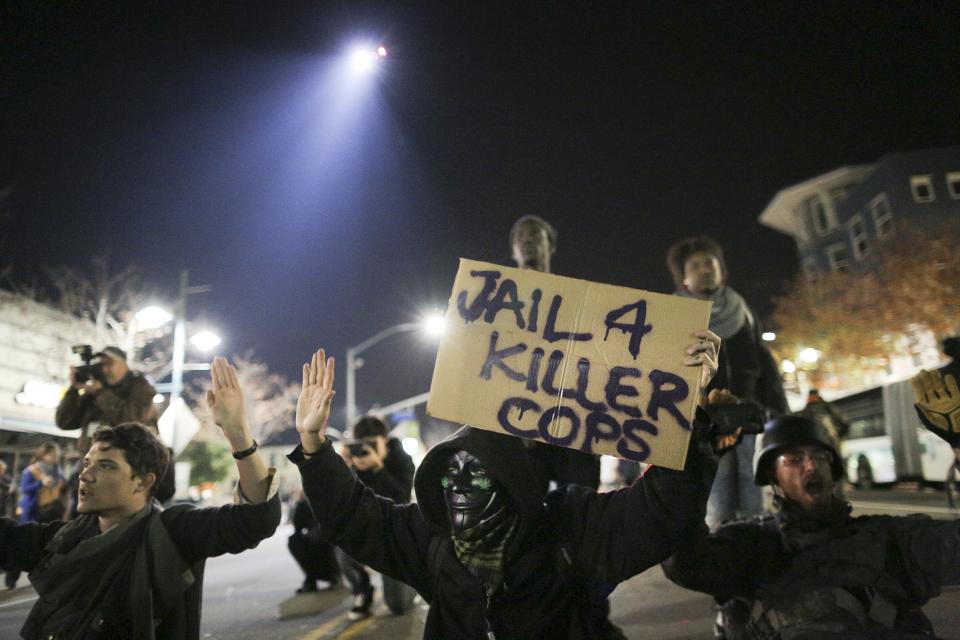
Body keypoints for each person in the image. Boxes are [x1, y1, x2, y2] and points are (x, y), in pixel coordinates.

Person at [289, 331, 735, 639]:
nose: (459, 486)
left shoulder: (569, 527)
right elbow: (353, 517)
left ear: (512, 482)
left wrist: (685, 417)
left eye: (476, 473)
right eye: (451, 475)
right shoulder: (431, 540)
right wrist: (314, 446)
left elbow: (661, 510)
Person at [662, 368, 960, 640]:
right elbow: (685, 563)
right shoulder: (751, 545)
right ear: (772, 478)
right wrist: (695, 462)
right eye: (793, 460)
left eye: (820, 457)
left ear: (834, 471)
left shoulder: (891, 540)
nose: (810, 466)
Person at [0, 357, 281, 639]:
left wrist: (238, 434)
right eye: (86, 464)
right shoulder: (63, 540)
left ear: (143, 482)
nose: (85, 476)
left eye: (106, 466)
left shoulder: (173, 534)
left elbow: (256, 519)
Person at [667, 235, 787, 529]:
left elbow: (762, 358)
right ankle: (720, 545)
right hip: (704, 418)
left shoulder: (741, 308)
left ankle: (754, 543)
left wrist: (778, 408)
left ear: (722, 268)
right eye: (695, 264)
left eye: (710, 262)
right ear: (684, 275)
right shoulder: (674, 313)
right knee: (716, 485)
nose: (705, 269)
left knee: (751, 483)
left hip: (745, 412)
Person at [508, 214, 601, 492]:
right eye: (520, 237)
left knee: (580, 508)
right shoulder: (499, 303)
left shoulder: (579, 299)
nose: (527, 241)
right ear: (513, 251)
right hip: (517, 425)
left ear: (551, 247)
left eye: (535, 235)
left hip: (570, 425)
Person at [55, 346, 175, 504]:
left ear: (124, 365)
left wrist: (100, 393)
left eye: (109, 364)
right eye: (100, 365)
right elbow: (64, 422)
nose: (104, 370)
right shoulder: (95, 393)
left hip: (125, 477)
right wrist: (74, 389)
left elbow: (131, 420)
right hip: (91, 473)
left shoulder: (140, 387)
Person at [337, 415, 417, 619]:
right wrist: (342, 468)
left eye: (372, 443)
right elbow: (339, 504)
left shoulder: (401, 459)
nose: (365, 450)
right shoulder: (352, 463)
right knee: (340, 539)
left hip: (395, 533)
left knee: (398, 605)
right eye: (361, 444)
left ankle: (415, 581)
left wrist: (378, 467)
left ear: (385, 439)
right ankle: (362, 590)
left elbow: (400, 499)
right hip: (364, 528)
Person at [288, 489, 342, 594]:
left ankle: (334, 577)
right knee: (295, 541)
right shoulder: (305, 502)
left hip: (328, 534)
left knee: (322, 543)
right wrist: (301, 503)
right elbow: (298, 525)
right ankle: (311, 579)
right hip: (313, 535)